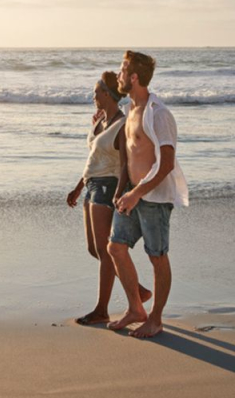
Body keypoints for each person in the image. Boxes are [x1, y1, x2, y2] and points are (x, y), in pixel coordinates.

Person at [105, 51, 189, 338]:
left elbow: (165, 163)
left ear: (135, 77)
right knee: (115, 248)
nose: (118, 74)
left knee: (157, 257)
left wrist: (137, 194)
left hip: (154, 199)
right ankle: (135, 309)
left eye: (122, 69)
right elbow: (129, 158)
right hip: (131, 195)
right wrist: (123, 192)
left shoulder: (159, 114)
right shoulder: (130, 110)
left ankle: (156, 319)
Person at [67, 71, 152, 325]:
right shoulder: (100, 120)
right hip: (91, 185)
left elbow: (125, 162)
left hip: (107, 187)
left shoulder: (122, 125)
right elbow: (94, 157)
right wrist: (78, 186)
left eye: (96, 91)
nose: (93, 95)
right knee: (94, 249)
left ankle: (102, 310)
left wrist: (122, 192)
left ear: (106, 93)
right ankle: (138, 290)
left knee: (106, 252)